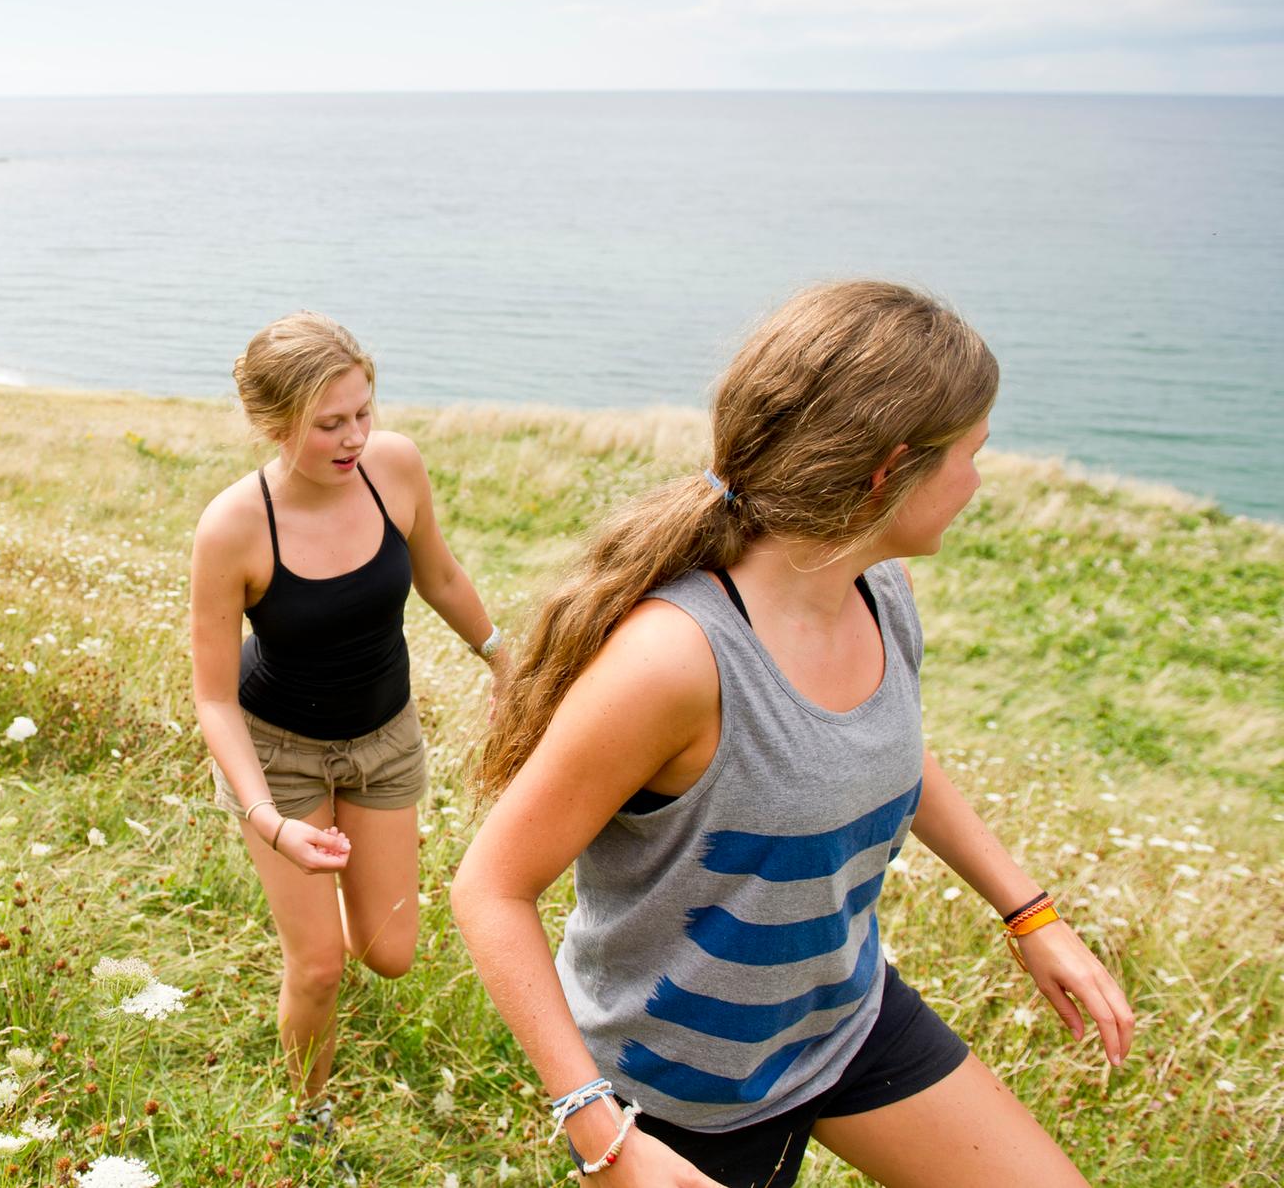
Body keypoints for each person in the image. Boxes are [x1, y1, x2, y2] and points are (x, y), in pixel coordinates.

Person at [450, 282, 1134, 1188]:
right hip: (682, 1092)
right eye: (973, 454)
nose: (979, 482)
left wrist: (1029, 914)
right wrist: (597, 1127)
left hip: (846, 1023)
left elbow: (879, 752)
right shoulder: (674, 661)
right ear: (890, 470)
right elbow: (491, 888)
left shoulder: (878, 589)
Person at [189, 312, 510, 1164]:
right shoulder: (233, 527)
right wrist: (269, 823)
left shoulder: (394, 467)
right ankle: (309, 1110)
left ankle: (321, 916)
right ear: (274, 423)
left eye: (363, 412)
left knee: (389, 953)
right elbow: (213, 700)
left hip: (384, 740)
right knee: (321, 966)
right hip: (279, 755)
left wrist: (503, 661)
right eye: (330, 424)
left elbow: (440, 574)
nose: (356, 437)